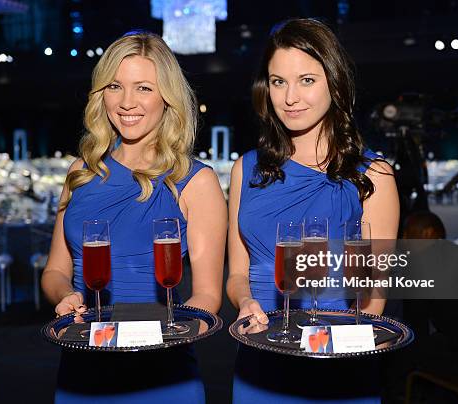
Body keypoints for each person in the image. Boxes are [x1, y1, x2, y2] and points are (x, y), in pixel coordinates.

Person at [41, 31, 227, 403]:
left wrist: (168, 332)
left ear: (167, 97)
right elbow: (55, 272)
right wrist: (65, 296)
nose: (127, 102)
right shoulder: (82, 172)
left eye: (143, 88)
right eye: (114, 86)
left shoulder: (194, 180)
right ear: (101, 94)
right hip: (83, 370)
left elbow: (208, 295)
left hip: (162, 375)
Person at [226, 19, 399, 403]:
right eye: (277, 81)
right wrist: (245, 301)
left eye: (306, 80)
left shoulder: (374, 176)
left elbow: (373, 296)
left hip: (339, 360)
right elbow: (237, 274)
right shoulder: (246, 169)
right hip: (262, 351)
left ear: (334, 82)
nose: (290, 97)